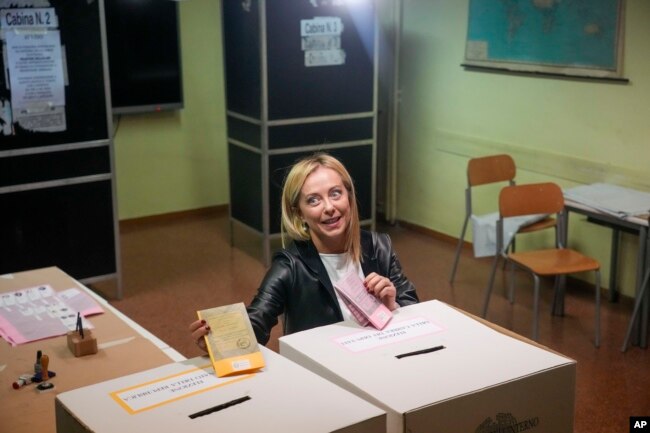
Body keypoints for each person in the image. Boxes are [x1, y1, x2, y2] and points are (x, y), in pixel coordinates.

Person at [190, 152, 419, 348]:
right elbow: (258, 318)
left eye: (335, 193)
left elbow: (416, 309)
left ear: (349, 196)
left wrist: (393, 306)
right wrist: (220, 340)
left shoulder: (379, 246)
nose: (329, 208)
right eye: (313, 200)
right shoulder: (290, 265)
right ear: (299, 213)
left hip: (380, 355)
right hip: (324, 369)